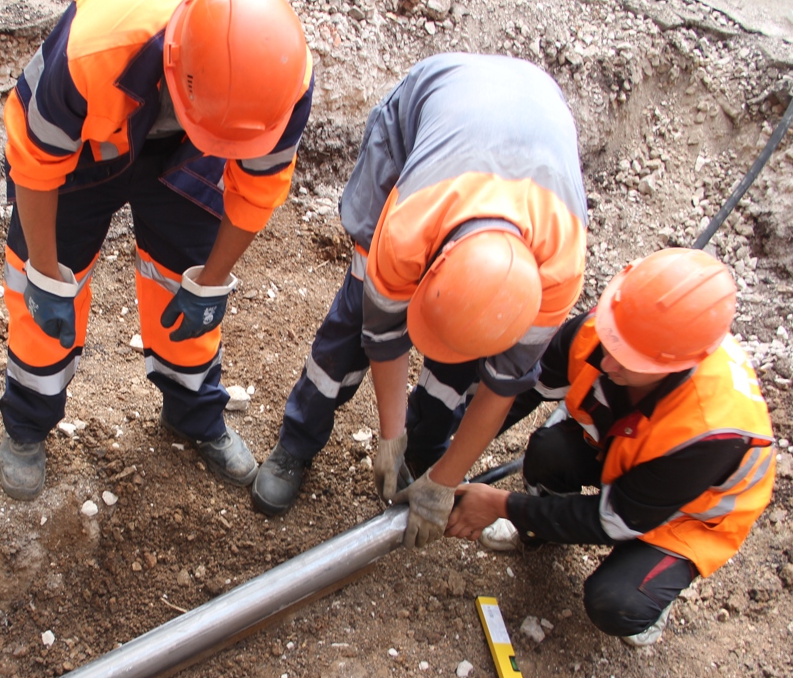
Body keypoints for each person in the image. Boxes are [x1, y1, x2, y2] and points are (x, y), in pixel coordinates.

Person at [0, 0, 313, 500]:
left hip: (199, 143)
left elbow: (257, 189)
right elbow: (35, 163)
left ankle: (194, 414)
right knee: (42, 291)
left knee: (182, 272)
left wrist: (209, 283)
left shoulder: (279, 83)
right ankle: (27, 424)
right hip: (93, 134)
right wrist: (46, 275)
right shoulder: (90, 54)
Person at [251, 53, 587, 549]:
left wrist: (446, 478)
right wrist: (390, 435)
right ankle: (296, 443)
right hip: (428, 116)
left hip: (529, 133)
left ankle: (425, 457)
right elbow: (381, 336)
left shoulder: (557, 275)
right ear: (429, 270)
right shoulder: (406, 229)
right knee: (353, 321)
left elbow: (502, 386)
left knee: (460, 370)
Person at [448, 248, 776, 645]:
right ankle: (541, 530)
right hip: (628, 458)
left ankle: (652, 593)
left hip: (688, 514)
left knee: (615, 602)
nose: (607, 363)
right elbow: (515, 397)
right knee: (549, 450)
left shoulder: (709, 432)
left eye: (628, 359)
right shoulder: (601, 335)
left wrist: (499, 504)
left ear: (675, 366)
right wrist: (450, 457)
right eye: (612, 341)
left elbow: (614, 521)